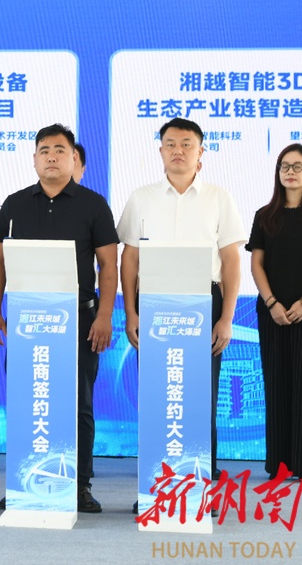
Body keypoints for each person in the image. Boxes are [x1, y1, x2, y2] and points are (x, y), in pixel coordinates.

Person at [0, 123, 117, 513]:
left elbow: (108, 265)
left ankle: (79, 485)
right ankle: (23, 481)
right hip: (26, 321)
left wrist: (105, 315)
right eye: (44, 150)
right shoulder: (14, 204)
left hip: (79, 320)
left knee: (78, 404)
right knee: (27, 402)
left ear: (73, 158)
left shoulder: (93, 204)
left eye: (60, 150)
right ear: (34, 159)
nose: (51, 156)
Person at [117, 117, 243, 483]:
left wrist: (227, 318)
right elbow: (130, 258)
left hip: (205, 301)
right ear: (160, 151)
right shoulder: (142, 197)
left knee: (202, 396)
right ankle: (156, 486)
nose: (178, 150)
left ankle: (201, 486)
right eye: (170, 144)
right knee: (158, 395)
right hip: (153, 302)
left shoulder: (219, 197)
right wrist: (130, 312)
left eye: (187, 144)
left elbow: (231, 260)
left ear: (201, 152)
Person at [249, 143, 302, 480]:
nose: (290, 172)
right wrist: (272, 303)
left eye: (298, 166)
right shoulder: (265, 215)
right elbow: (257, 264)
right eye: (284, 166)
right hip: (273, 312)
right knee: (276, 384)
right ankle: (279, 464)